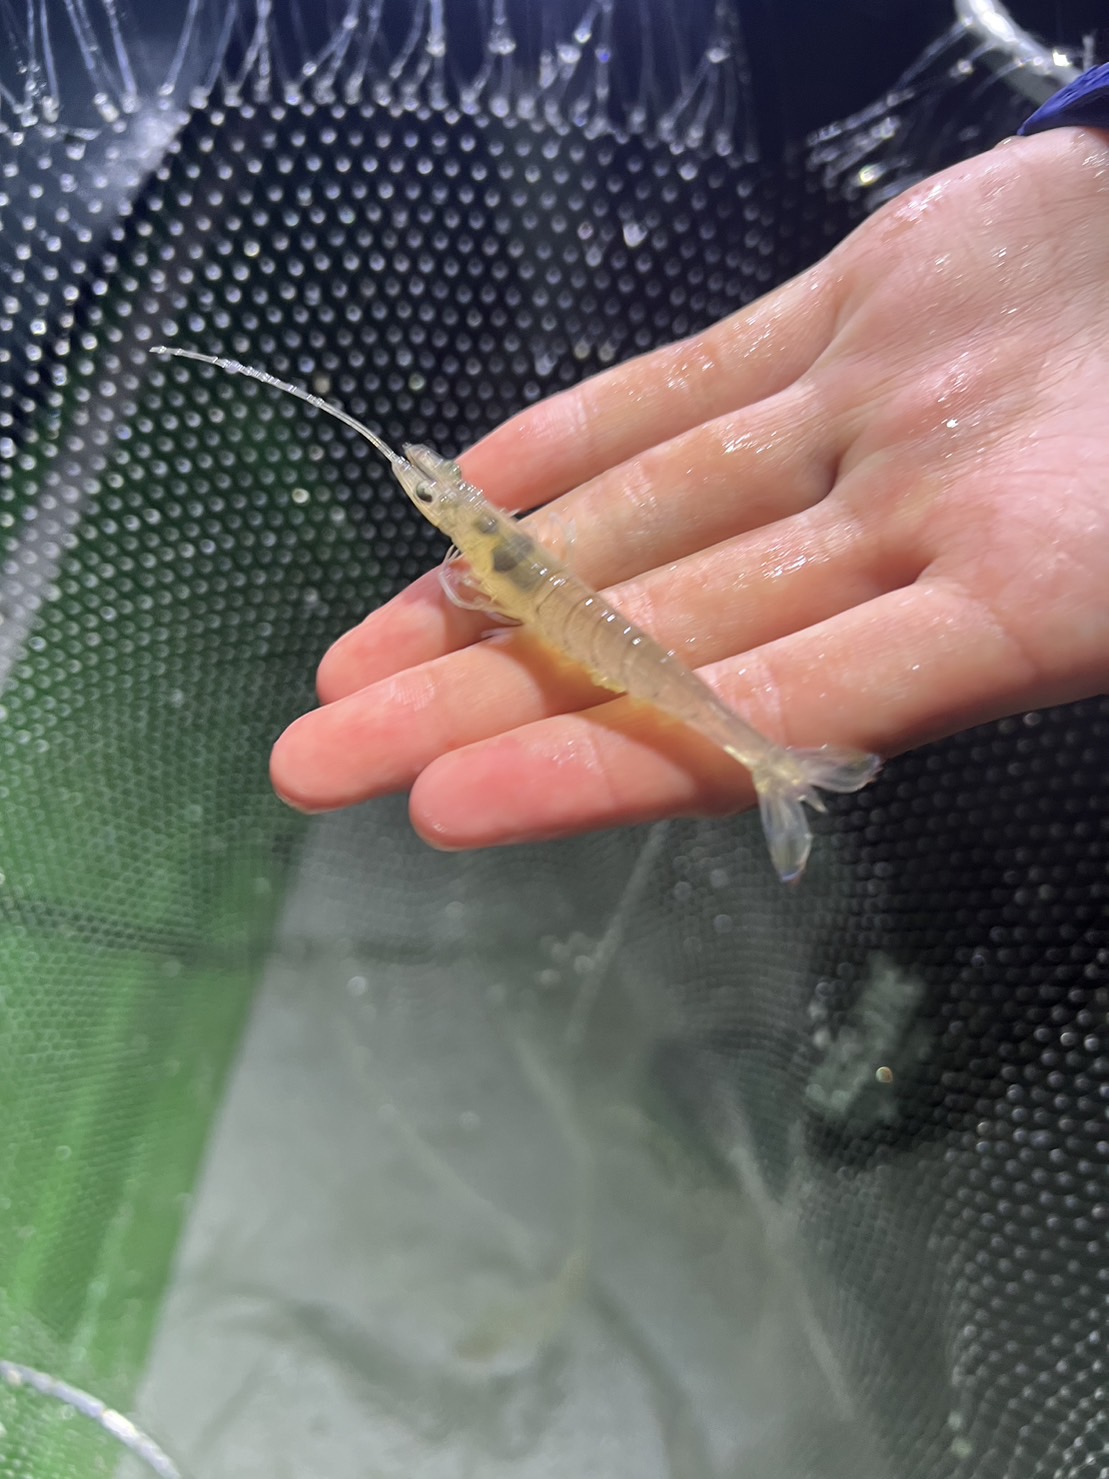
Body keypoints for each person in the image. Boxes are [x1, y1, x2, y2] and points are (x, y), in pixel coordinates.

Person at [269, 106, 1109, 853]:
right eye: (432, 493)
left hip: (588, 625)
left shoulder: (480, 558)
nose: (434, 491)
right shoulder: (493, 543)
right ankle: (770, 760)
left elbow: (485, 587)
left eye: (438, 487)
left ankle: (771, 761)